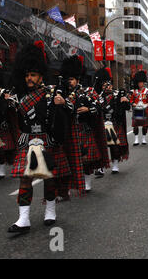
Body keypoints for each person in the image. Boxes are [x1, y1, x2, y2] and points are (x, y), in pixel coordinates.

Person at [8, 41, 75, 233]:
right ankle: (23, 219)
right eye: (27, 75)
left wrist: (62, 103)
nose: (29, 78)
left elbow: (70, 110)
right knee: (24, 179)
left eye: (33, 75)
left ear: (40, 76)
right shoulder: (17, 96)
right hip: (27, 141)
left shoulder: (51, 93)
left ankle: (50, 211)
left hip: (47, 140)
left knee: (49, 179)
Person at [61, 56, 109, 193]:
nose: (68, 82)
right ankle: (69, 185)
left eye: (71, 79)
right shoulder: (61, 93)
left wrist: (88, 109)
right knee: (68, 159)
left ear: (77, 79)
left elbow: (100, 105)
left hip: (84, 128)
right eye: (67, 79)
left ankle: (87, 181)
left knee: (86, 159)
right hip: (68, 130)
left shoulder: (88, 91)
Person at [96, 68, 130, 174]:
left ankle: (115, 164)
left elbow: (126, 108)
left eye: (109, 85)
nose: (108, 87)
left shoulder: (117, 95)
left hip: (114, 123)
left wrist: (125, 102)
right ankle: (100, 167)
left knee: (114, 146)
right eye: (105, 85)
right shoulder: (98, 97)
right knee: (100, 146)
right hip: (101, 123)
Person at [130, 70, 148, 146]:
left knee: (144, 126)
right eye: (139, 82)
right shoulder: (134, 92)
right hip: (136, 109)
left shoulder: (147, 91)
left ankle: (143, 139)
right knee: (135, 126)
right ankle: (136, 139)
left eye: (141, 82)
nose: (140, 84)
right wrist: (132, 103)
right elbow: (131, 100)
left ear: (143, 82)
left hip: (145, 109)